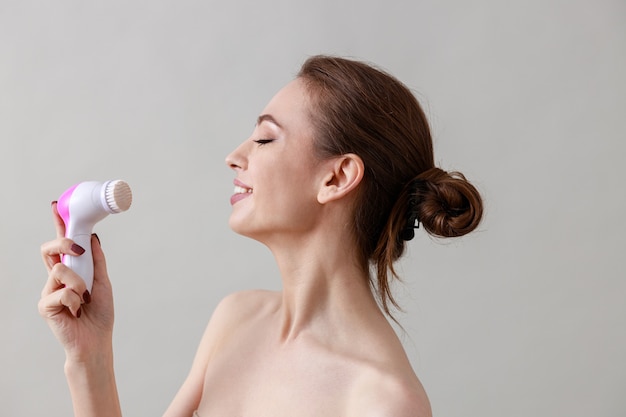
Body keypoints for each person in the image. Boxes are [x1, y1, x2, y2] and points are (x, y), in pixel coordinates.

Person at [39, 55, 483, 417]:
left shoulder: (383, 403)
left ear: (338, 176)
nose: (234, 156)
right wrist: (89, 358)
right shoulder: (237, 319)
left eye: (265, 139)